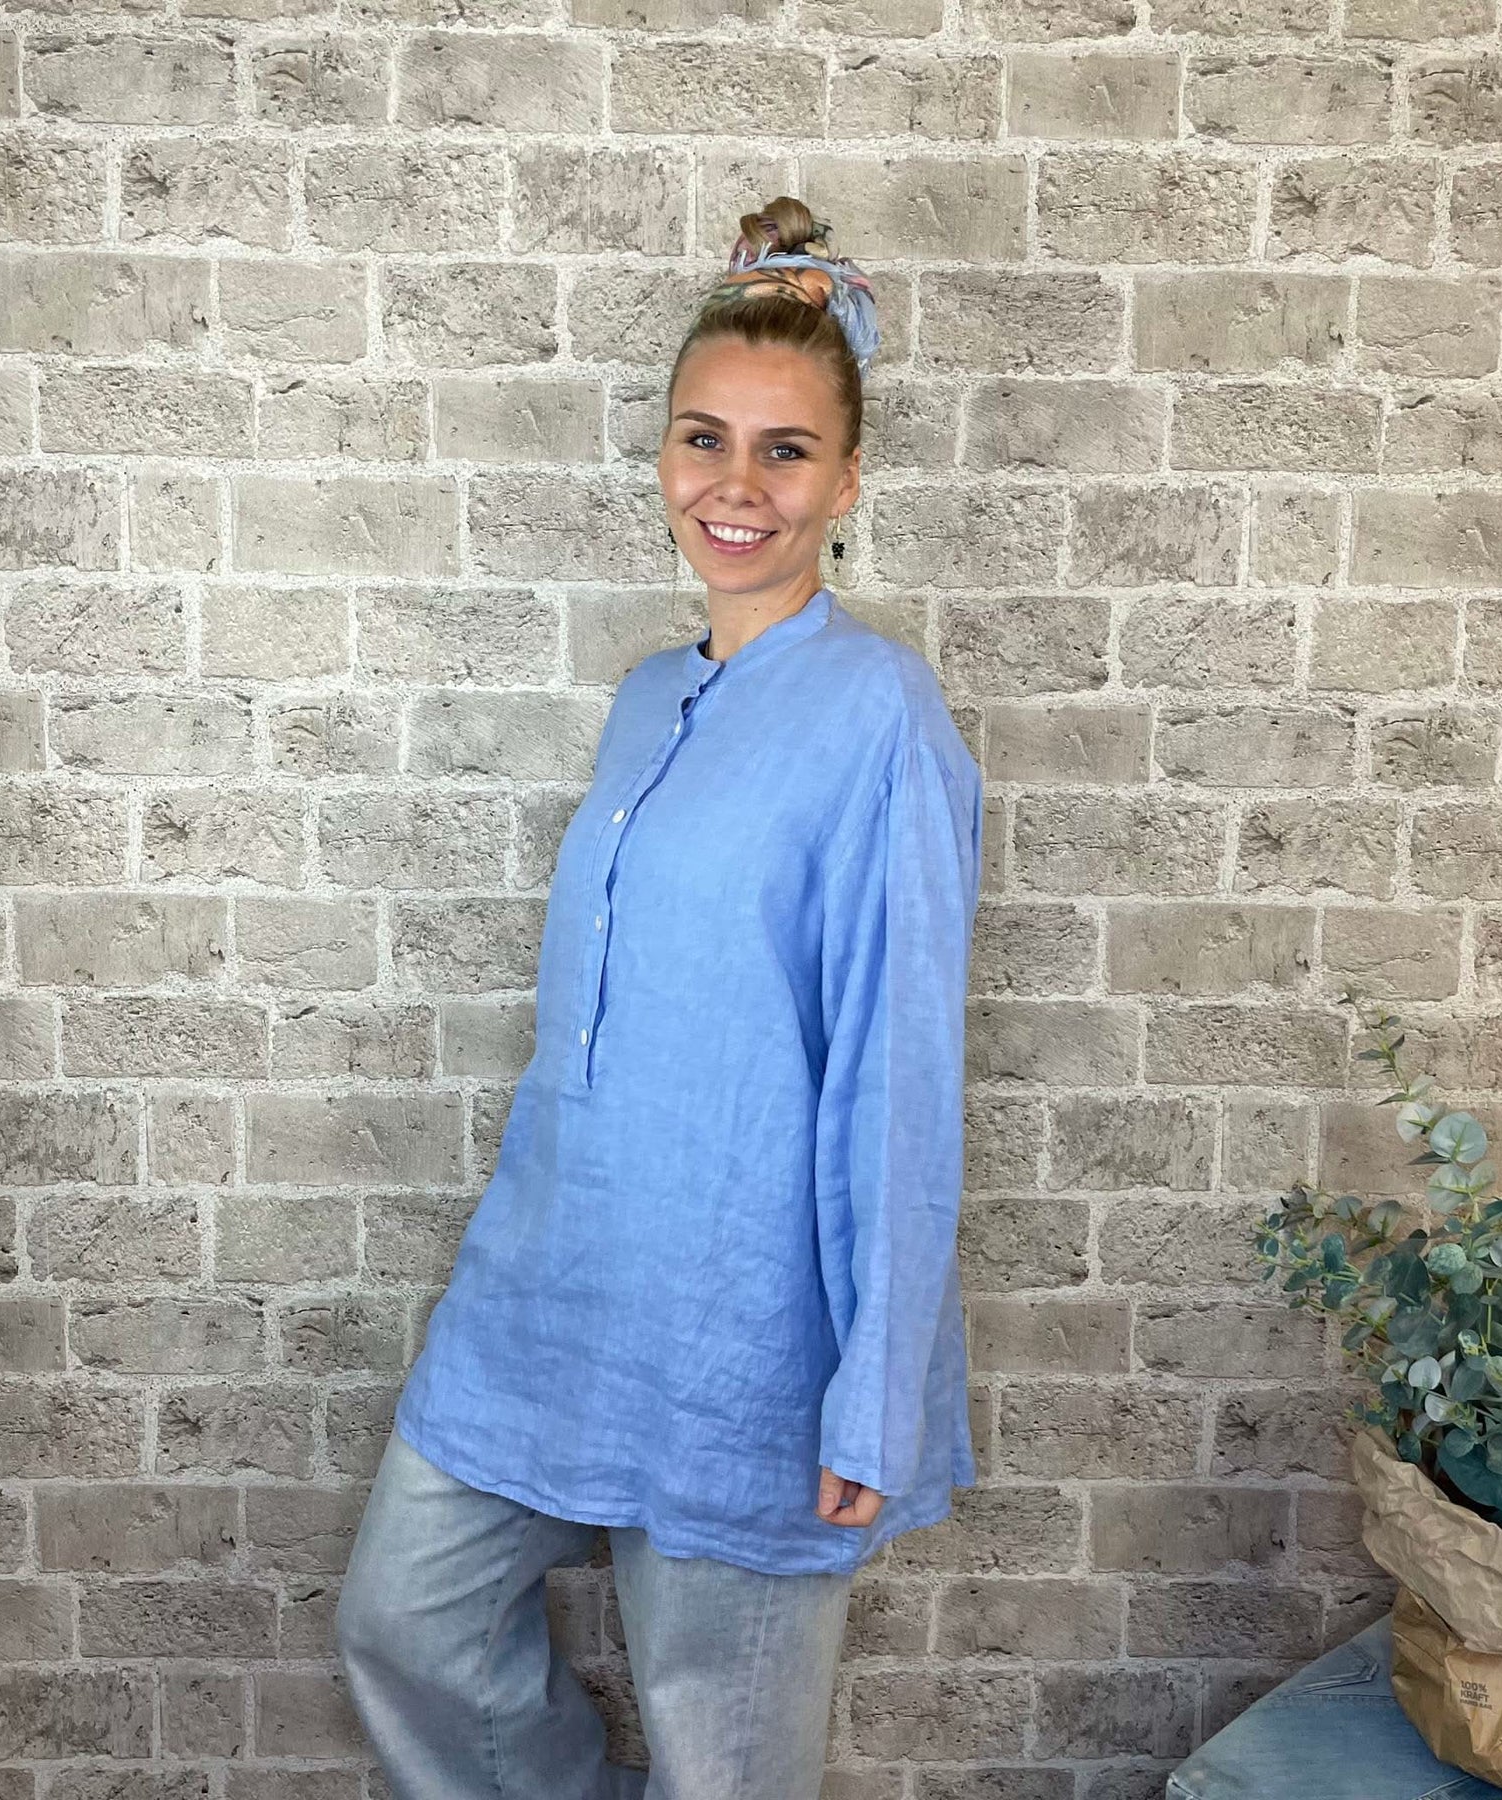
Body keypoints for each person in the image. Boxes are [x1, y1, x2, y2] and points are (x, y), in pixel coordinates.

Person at [335, 197, 985, 1800]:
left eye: (785, 451)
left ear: (848, 479)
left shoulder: (881, 715)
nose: (735, 486)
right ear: (662, 455)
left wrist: (875, 1392)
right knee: (407, 1620)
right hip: (553, 1289)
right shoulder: (647, 699)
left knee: (723, 1763)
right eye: (706, 440)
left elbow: (896, 1073)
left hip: (744, 1334)